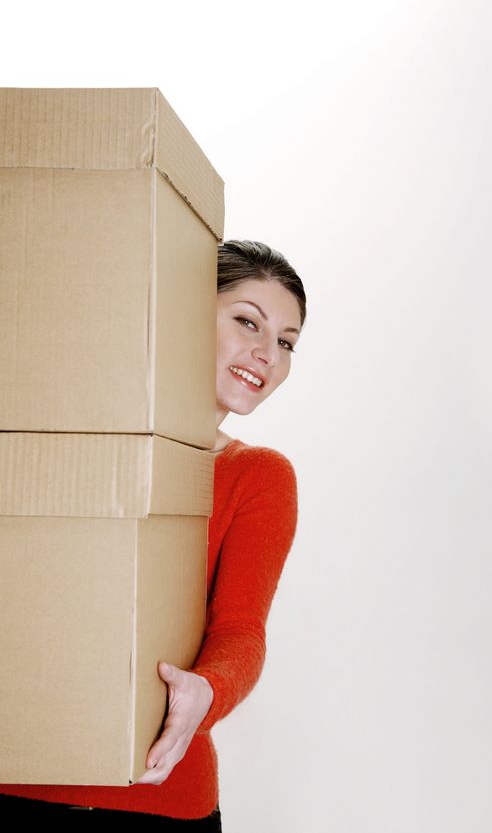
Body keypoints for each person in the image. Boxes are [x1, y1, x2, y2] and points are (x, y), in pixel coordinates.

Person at [0, 240, 307, 829]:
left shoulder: (258, 476)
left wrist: (206, 694)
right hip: (17, 778)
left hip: (157, 798)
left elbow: (242, 631)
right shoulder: (56, 440)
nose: (267, 354)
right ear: (183, 310)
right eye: (248, 322)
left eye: (287, 343)